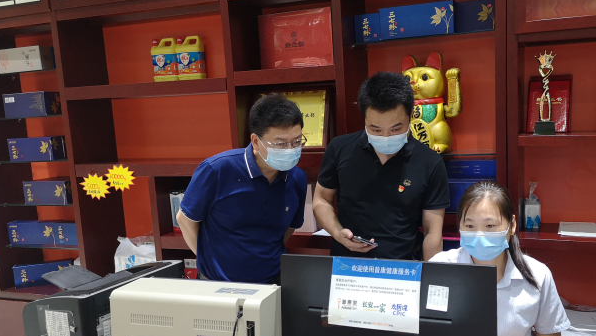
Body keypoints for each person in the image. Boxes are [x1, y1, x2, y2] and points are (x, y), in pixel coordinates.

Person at [430, 181, 570, 336]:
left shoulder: (538, 275)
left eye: (490, 225)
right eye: (469, 225)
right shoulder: (440, 268)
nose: (479, 235)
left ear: (511, 225)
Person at [313, 72, 449, 261]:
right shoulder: (340, 149)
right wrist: (337, 233)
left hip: (400, 268)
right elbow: (321, 200)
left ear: (411, 115)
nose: (386, 137)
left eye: (396, 129)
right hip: (346, 267)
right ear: (364, 119)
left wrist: (431, 275)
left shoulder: (430, 162)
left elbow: (432, 232)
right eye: (376, 129)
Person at [177, 94, 308, 283]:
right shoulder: (218, 170)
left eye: (296, 142)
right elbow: (185, 219)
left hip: (271, 284)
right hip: (217, 284)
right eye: (280, 143)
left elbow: (288, 229)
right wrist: (209, 261)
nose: (290, 149)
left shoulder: (297, 178)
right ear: (255, 141)